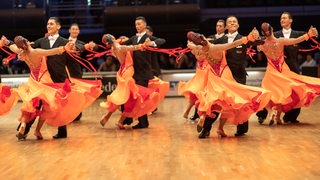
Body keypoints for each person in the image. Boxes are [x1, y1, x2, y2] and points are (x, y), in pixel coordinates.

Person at [6, 35, 100, 140]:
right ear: (26, 43)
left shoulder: (21, 53)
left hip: (33, 82)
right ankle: (37, 130)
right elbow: (52, 52)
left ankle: (23, 124)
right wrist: (64, 48)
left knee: (30, 106)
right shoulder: (36, 52)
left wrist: (6, 42)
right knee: (46, 107)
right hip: (43, 82)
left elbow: (12, 47)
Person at [186, 29, 271, 138]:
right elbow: (233, 44)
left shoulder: (200, 49)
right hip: (224, 76)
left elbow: (190, 46)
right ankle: (220, 128)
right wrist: (246, 39)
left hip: (213, 78)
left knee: (213, 102)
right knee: (230, 102)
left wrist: (189, 40)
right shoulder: (215, 47)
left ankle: (205, 120)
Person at [17, 17, 91, 139]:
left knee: (60, 106)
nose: (49, 26)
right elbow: (28, 49)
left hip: (60, 78)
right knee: (35, 104)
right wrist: (21, 50)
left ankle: (62, 132)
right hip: (44, 80)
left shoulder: (64, 41)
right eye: (47, 24)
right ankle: (24, 131)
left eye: (51, 24)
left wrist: (83, 48)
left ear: (58, 27)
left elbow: (76, 49)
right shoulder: (41, 41)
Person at [99, 34, 168, 128]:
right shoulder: (120, 47)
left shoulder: (114, 48)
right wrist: (142, 45)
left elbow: (123, 44)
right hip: (128, 72)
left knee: (120, 96)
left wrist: (119, 40)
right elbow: (132, 47)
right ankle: (119, 120)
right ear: (112, 38)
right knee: (130, 97)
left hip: (121, 72)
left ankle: (108, 116)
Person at [257, 12, 314, 124]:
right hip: (282, 69)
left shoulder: (264, 42)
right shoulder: (279, 37)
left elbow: (258, 46)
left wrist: (311, 34)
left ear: (290, 20)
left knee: (279, 92)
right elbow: (297, 40)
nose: (282, 20)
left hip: (289, 68)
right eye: (281, 18)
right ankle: (265, 115)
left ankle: (285, 116)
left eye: (284, 18)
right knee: (280, 93)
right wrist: (308, 35)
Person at [121, 16, 167, 129]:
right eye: (136, 24)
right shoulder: (133, 38)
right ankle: (131, 119)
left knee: (141, 98)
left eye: (139, 24)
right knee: (132, 97)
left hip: (144, 73)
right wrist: (113, 43)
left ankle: (142, 122)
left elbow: (162, 40)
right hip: (134, 73)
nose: (137, 26)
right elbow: (122, 45)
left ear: (145, 25)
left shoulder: (148, 37)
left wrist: (152, 43)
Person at [212, 15, 253, 136]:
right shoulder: (220, 40)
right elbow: (208, 47)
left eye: (235, 22)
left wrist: (258, 37)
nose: (232, 23)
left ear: (238, 25)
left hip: (239, 76)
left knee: (241, 103)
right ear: (226, 26)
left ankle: (242, 128)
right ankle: (207, 127)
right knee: (220, 102)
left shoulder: (244, 39)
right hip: (224, 77)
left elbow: (257, 41)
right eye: (230, 22)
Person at [188, 19, 226, 121]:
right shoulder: (211, 38)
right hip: (210, 71)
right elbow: (203, 47)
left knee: (215, 95)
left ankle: (204, 116)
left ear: (225, 28)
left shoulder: (224, 39)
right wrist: (196, 45)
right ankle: (204, 116)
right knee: (206, 94)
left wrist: (195, 46)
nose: (218, 27)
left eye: (220, 26)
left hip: (221, 69)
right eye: (217, 26)